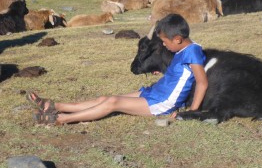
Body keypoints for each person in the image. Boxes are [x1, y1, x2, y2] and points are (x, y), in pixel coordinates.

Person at [26, 14, 208, 125]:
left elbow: (201, 83)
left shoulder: (192, 52)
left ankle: (61, 119)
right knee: (105, 98)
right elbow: (182, 75)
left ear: (177, 39)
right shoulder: (184, 50)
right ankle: (55, 106)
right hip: (155, 92)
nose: (163, 45)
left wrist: (191, 112)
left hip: (162, 102)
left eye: (165, 41)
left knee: (113, 102)